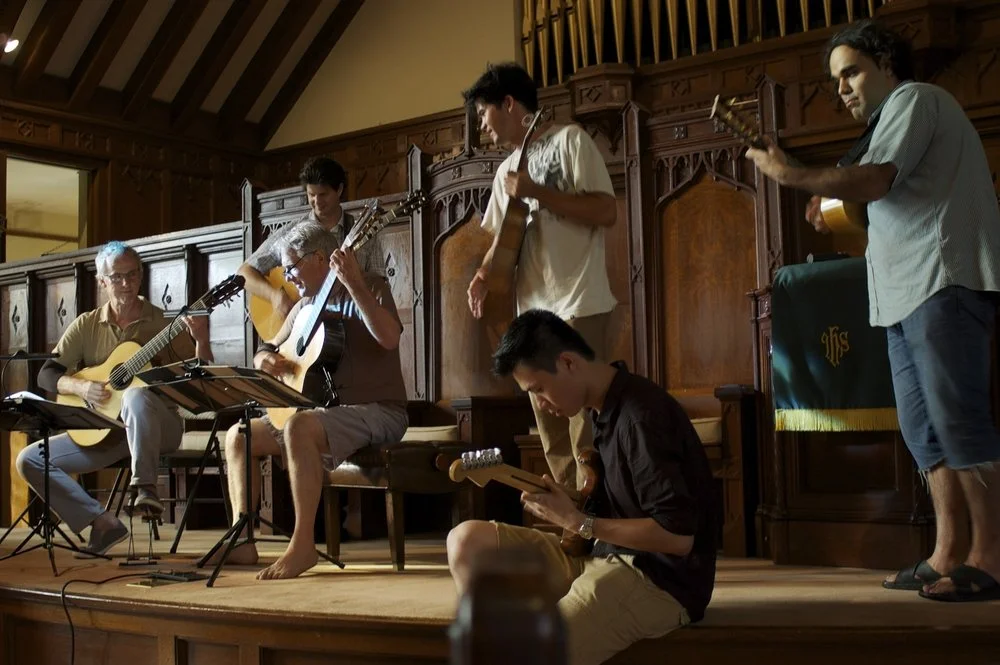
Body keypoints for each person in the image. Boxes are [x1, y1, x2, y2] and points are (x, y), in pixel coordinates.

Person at [744, 19, 1000, 602]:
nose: (842, 89)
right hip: (902, 293)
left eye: (852, 71)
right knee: (922, 429)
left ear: (887, 63)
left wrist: (792, 173)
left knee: (958, 419)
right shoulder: (887, 125)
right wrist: (833, 204)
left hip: (944, 279)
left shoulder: (916, 99)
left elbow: (879, 179)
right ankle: (947, 553)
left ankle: (993, 555)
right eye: (836, 80)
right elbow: (878, 200)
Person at [446, 309, 717, 665]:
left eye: (539, 389)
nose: (540, 405)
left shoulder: (641, 417)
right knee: (466, 540)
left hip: (658, 580)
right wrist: (574, 507)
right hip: (602, 555)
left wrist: (578, 522)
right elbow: (618, 505)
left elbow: (678, 538)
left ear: (569, 363)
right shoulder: (601, 408)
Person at [216, 220, 408, 580]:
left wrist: (354, 283)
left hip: (378, 410)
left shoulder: (372, 286)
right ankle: (242, 538)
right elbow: (267, 348)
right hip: (324, 413)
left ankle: (303, 544)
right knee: (238, 435)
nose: (288, 277)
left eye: (292, 267)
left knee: (299, 425)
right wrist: (264, 360)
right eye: (285, 269)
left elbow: (389, 338)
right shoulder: (303, 307)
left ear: (320, 258)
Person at [462, 62, 618, 492]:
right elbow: (502, 241)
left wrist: (536, 192)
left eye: (483, 113)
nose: (482, 125)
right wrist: (481, 274)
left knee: (585, 424)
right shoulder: (505, 171)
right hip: (532, 314)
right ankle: (572, 523)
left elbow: (606, 211)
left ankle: (600, 519)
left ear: (508, 104)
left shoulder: (571, 140)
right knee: (552, 434)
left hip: (580, 302)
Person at [16, 241, 213, 555]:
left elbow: (199, 378)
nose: (126, 283)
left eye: (132, 275)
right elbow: (47, 375)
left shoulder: (161, 323)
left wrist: (201, 338)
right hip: (109, 430)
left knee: (136, 395)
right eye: (117, 277)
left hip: (160, 427)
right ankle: (102, 522)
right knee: (29, 459)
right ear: (102, 281)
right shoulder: (87, 324)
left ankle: (146, 488)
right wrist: (80, 388)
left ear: (140, 275)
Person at [238, 156, 386, 326]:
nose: (317, 202)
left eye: (323, 194)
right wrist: (275, 296)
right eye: (311, 195)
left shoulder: (362, 230)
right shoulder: (292, 233)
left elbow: (378, 284)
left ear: (339, 190)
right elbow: (244, 273)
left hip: (351, 325)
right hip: (302, 329)